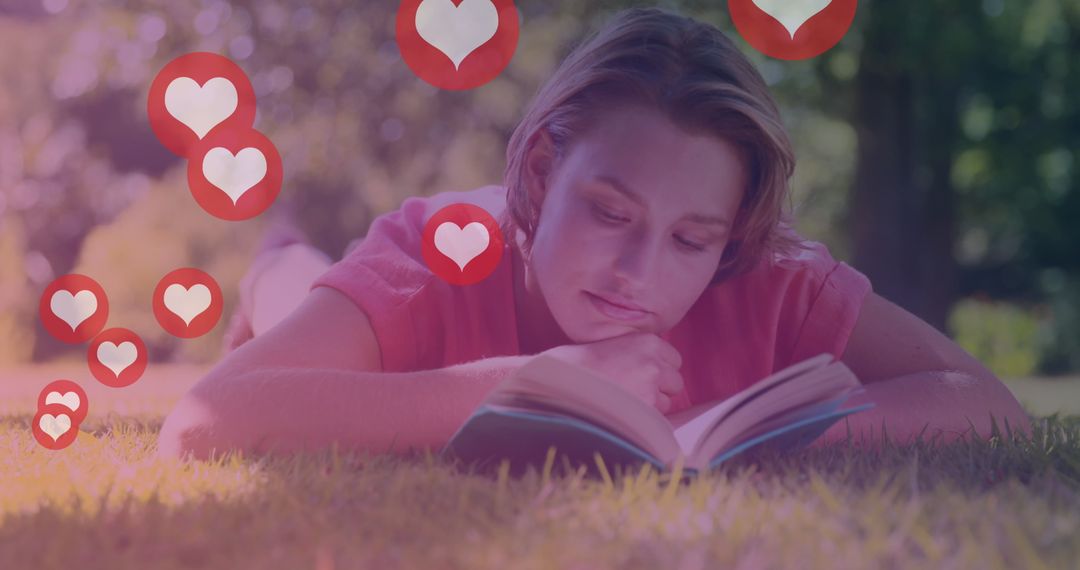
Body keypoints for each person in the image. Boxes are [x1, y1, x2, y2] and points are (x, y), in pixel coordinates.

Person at [158, 7, 1030, 462]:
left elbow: (986, 403)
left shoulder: (767, 274)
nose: (638, 274)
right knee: (293, 290)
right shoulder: (431, 260)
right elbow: (201, 426)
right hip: (415, 275)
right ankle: (278, 258)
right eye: (611, 213)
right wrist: (526, 386)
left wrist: (751, 430)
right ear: (541, 173)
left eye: (691, 240)